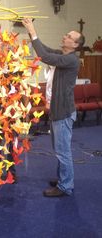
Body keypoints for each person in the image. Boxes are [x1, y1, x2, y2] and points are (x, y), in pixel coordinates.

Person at [22, 18, 85, 197]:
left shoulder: (72, 60)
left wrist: (32, 29)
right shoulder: (64, 56)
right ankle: (63, 179)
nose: (64, 37)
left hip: (63, 114)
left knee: (63, 152)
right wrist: (30, 30)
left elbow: (46, 56)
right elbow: (45, 50)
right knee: (60, 150)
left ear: (75, 45)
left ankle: (66, 186)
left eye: (68, 36)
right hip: (59, 113)